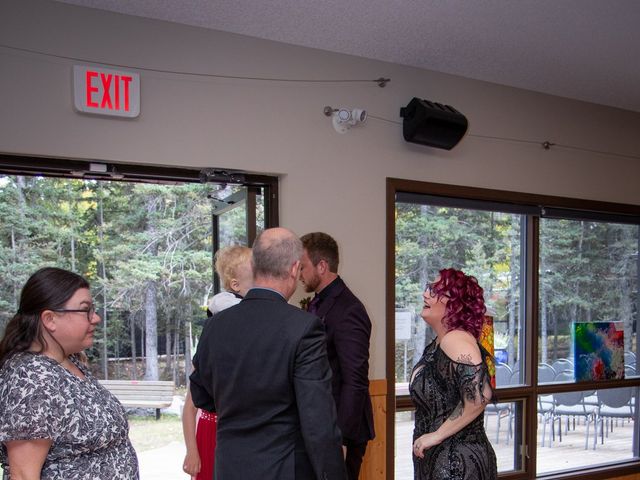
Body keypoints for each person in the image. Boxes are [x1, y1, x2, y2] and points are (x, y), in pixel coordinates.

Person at [190, 227, 346, 480]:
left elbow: (201, 395)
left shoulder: (214, 326)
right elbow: (318, 421)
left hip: (229, 467)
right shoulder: (303, 328)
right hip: (283, 469)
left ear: (255, 265)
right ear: (295, 269)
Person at [0, 267, 139, 479]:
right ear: (50, 319)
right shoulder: (30, 377)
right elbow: (22, 473)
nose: (96, 318)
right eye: (86, 310)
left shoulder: (70, 362)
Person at [299, 232, 375, 480]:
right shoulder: (317, 302)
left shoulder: (349, 309)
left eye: (303, 266)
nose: (299, 272)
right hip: (322, 425)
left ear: (322, 266)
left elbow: (356, 380)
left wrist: (340, 439)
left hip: (342, 430)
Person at [410, 268, 497, 480]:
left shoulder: (455, 339)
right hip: (443, 459)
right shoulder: (439, 343)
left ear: (454, 304)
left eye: (434, 290)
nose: (425, 294)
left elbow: (480, 395)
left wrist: (437, 435)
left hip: (457, 463)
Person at [182, 245, 253, 479]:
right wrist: (192, 451)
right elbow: (190, 406)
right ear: (235, 285)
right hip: (212, 432)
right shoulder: (214, 336)